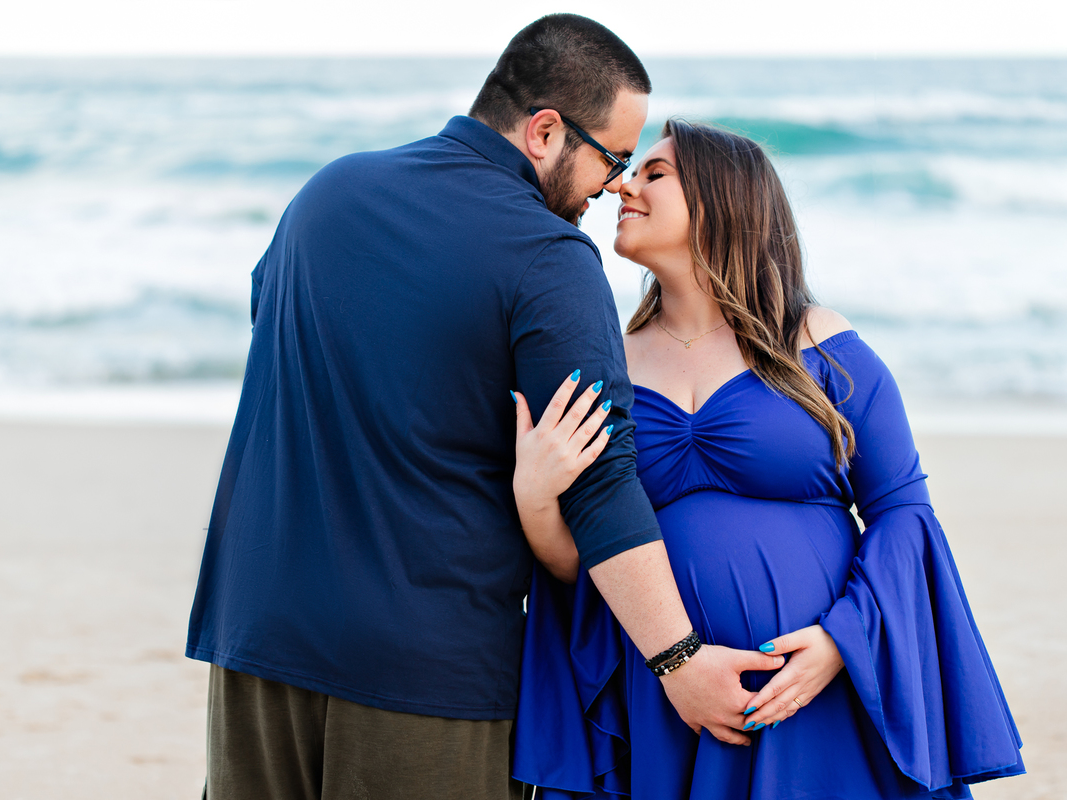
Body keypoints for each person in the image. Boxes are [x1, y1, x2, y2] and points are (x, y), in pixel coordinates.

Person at [186, 18, 781, 800]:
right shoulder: (548, 256)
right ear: (545, 132)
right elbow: (601, 480)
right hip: (423, 666)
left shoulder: (326, 192)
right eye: (612, 157)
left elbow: (276, 328)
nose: (614, 185)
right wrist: (678, 660)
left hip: (256, 630)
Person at [509, 120, 1025, 799]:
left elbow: (903, 511)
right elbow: (582, 566)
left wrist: (843, 641)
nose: (624, 185)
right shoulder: (611, 364)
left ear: (725, 198)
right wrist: (534, 499)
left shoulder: (820, 344)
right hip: (666, 692)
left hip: (814, 689)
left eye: (655, 174)